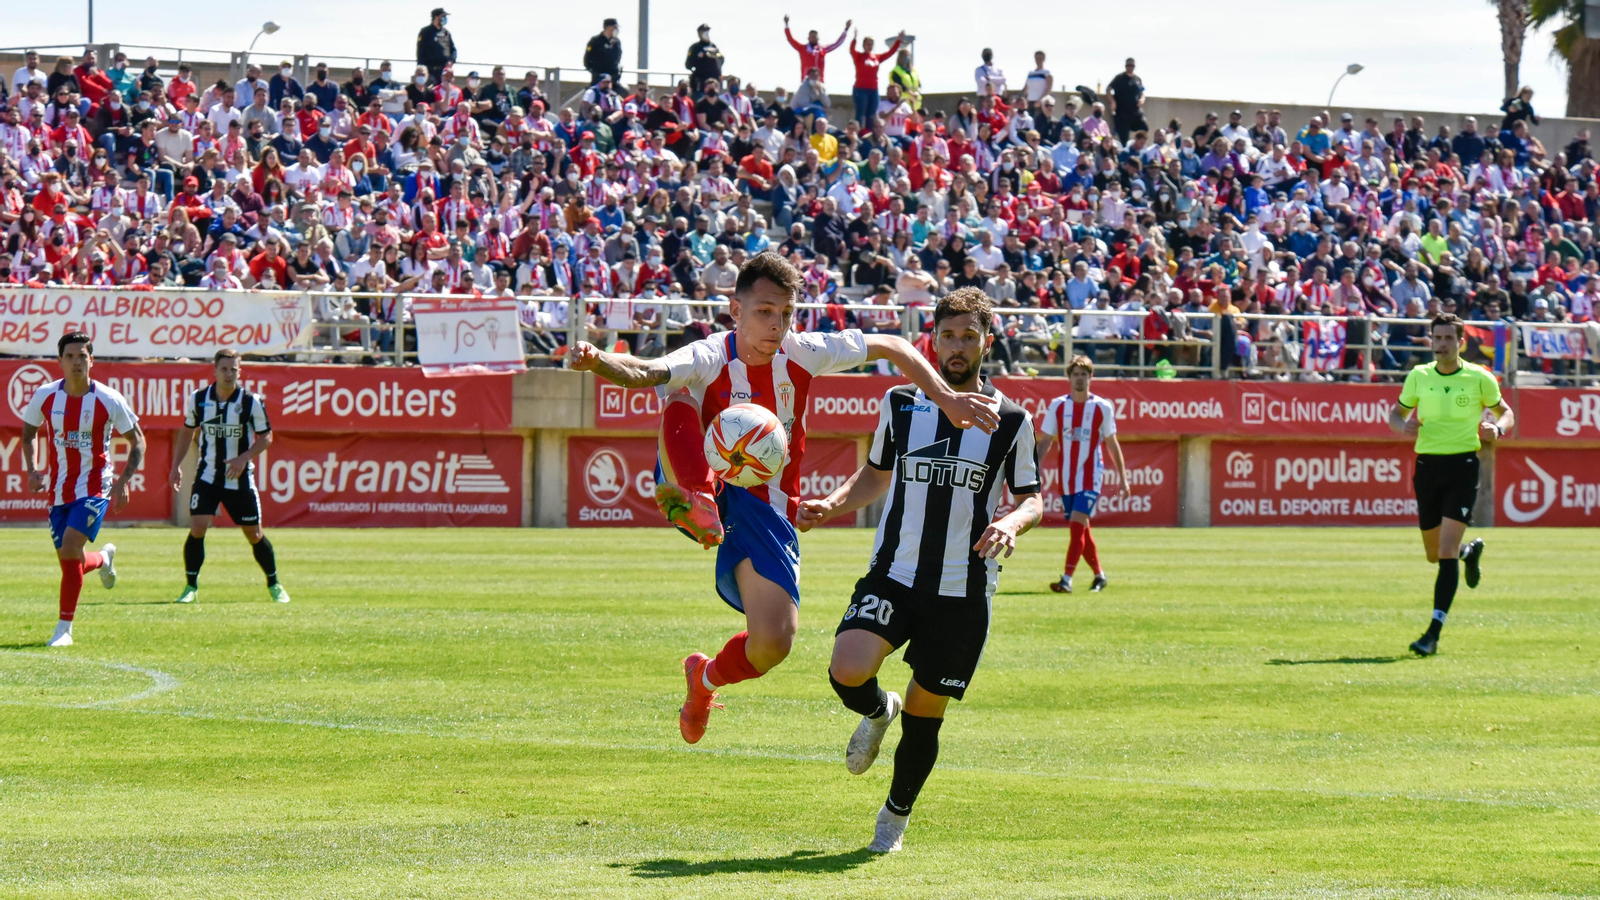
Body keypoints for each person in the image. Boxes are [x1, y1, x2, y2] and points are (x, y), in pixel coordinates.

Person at [568, 252, 998, 745]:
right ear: (736, 310)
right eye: (764, 311)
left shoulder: (804, 351)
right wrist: (599, 361)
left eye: (786, 314)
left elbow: (895, 345)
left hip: (768, 508)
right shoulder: (710, 353)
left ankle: (703, 679)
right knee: (680, 389)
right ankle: (695, 495)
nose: (776, 324)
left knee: (774, 643)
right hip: (706, 481)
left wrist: (945, 398)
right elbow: (646, 371)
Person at [798, 287, 1042, 854]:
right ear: (934, 338)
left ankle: (894, 818)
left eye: (968, 336)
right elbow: (875, 474)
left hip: (963, 589)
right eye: (948, 335)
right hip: (896, 573)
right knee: (847, 667)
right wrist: (831, 504)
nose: (957, 347)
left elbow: (1032, 496)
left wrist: (1013, 522)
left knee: (926, 715)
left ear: (988, 338)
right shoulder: (901, 402)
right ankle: (879, 709)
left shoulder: (1011, 420)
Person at [1387, 314, 1514, 657]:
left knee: (1444, 554)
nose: (1441, 343)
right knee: (1435, 553)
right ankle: (1468, 553)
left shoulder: (1478, 377)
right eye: (1436, 337)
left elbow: (1506, 412)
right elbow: (1395, 413)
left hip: (1463, 467)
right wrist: (1401, 426)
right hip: (1427, 467)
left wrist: (1498, 429)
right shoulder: (1419, 376)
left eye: (1448, 338)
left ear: (1460, 342)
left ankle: (1433, 633)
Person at [18, 332, 146, 648]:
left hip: (95, 486)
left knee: (70, 548)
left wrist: (123, 481)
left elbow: (138, 441)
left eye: (82, 356)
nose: (77, 361)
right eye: (70, 356)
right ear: (60, 361)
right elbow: (28, 434)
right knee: (69, 557)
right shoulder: (45, 395)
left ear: (92, 360)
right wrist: (33, 470)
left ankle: (64, 630)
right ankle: (103, 559)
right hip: (59, 490)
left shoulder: (108, 398)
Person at [166, 349, 289, 605]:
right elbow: (187, 431)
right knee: (198, 527)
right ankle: (190, 586)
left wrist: (243, 458)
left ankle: (274, 583)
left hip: (239, 479)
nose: (229, 374)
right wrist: (176, 465)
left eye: (234, 369)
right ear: (215, 370)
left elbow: (267, 436)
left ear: (239, 371)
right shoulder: (199, 399)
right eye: (224, 369)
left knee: (254, 534)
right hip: (208, 475)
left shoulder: (250, 402)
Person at [1036, 355, 1129, 593]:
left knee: (1077, 524)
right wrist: (1031, 467)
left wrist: (1123, 479)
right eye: (1075, 374)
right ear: (1069, 377)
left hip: (1090, 476)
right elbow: (1046, 440)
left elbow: (1112, 443)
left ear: (1091, 377)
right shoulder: (1058, 405)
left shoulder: (1102, 407)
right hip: (1066, 478)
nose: (1080, 378)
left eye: (1084, 374)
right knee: (1082, 529)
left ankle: (1066, 579)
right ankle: (1100, 576)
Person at [783, 15, 850, 82]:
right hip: (806, 82)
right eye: (811, 37)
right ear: (808, 38)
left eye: (814, 37)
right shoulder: (802, 49)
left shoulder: (822, 49)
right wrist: (786, 25)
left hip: (819, 82)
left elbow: (837, 44)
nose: (813, 38)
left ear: (818, 38)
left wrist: (846, 29)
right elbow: (790, 39)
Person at [1106, 57, 1147, 143]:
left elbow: (1142, 92)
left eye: (1132, 65)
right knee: (1124, 138)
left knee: (1144, 128)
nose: (1130, 67)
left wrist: (1142, 99)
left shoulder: (1137, 79)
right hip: (1122, 113)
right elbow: (1108, 89)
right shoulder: (1119, 78)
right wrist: (1112, 101)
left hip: (1135, 112)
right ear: (1125, 66)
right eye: (1128, 65)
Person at [417, 8, 457, 85]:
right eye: (443, 16)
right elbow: (420, 51)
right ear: (436, 17)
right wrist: (422, 69)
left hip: (444, 71)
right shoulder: (425, 32)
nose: (445, 18)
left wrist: (451, 60)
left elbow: (453, 50)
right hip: (430, 70)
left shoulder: (446, 33)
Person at [584, 19, 623, 87]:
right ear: (608, 27)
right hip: (598, 79)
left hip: (612, 79)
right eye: (615, 27)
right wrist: (594, 72)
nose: (616, 29)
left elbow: (618, 57)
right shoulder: (595, 40)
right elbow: (587, 59)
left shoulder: (616, 42)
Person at [685, 24, 724, 92]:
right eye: (703, 31)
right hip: (700, 85)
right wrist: (698, 57)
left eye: (707, 31)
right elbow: (688, 65)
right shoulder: (695, 47)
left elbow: (721, 59)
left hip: (714, 84)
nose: (706, 33)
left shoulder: (713, 46)